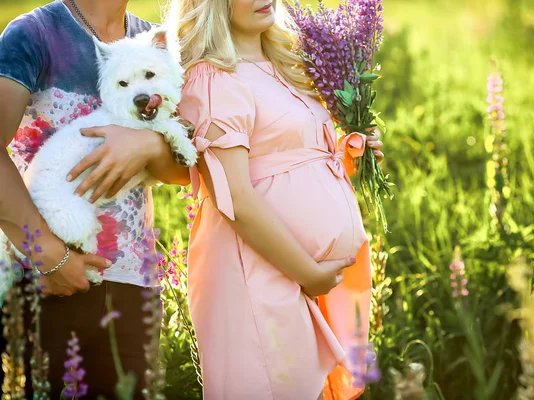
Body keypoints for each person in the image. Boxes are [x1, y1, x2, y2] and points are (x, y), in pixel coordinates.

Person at [172, 0, 385, 398]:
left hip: (304, 277)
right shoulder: (212, 78)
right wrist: (309, 274)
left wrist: (349, 151)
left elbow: (286, 157)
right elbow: (233, 196)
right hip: (256, 273)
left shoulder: (289, 65)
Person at [0, 0, 190, 397]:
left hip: (133, 284)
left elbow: (183, 171)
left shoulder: (153, 40)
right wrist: (52, 258)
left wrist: (147, 147)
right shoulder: (34, 34)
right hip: (45, 277)